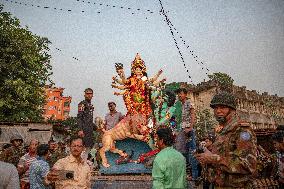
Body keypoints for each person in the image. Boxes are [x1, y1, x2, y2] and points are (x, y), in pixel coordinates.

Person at [195, 92, 258, 188]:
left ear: (232, 110)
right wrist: (208, 152)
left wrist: (214, 159)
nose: (218, 111)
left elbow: (248, 164)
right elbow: (226, 152)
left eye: (222, 107)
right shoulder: (224, 130)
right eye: (216, 108)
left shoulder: (242, 131)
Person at [174, 88, 198, 182]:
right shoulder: (181, 105)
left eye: (181, 94)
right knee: (183, 152)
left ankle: (195, 175)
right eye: (178, 94)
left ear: (185, 94)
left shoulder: (189, 102)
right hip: (183, 130)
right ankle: (187, 174)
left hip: (189, 131)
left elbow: (193, 115)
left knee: (192, 152)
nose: (179, 95)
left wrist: (191, 128)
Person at [77, 88, 97, 159]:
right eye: (87, 93)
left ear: (92, 95)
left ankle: (84, 165)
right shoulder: (82, 104)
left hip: (90, 130)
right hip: (84, 130)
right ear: (84, 95)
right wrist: (80, 129)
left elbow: (89, 120)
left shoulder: (90, 105)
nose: (89, 95)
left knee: (88, 148)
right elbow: (79, 117)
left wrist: (96, 128)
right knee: (82, 148)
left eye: (90, 94)